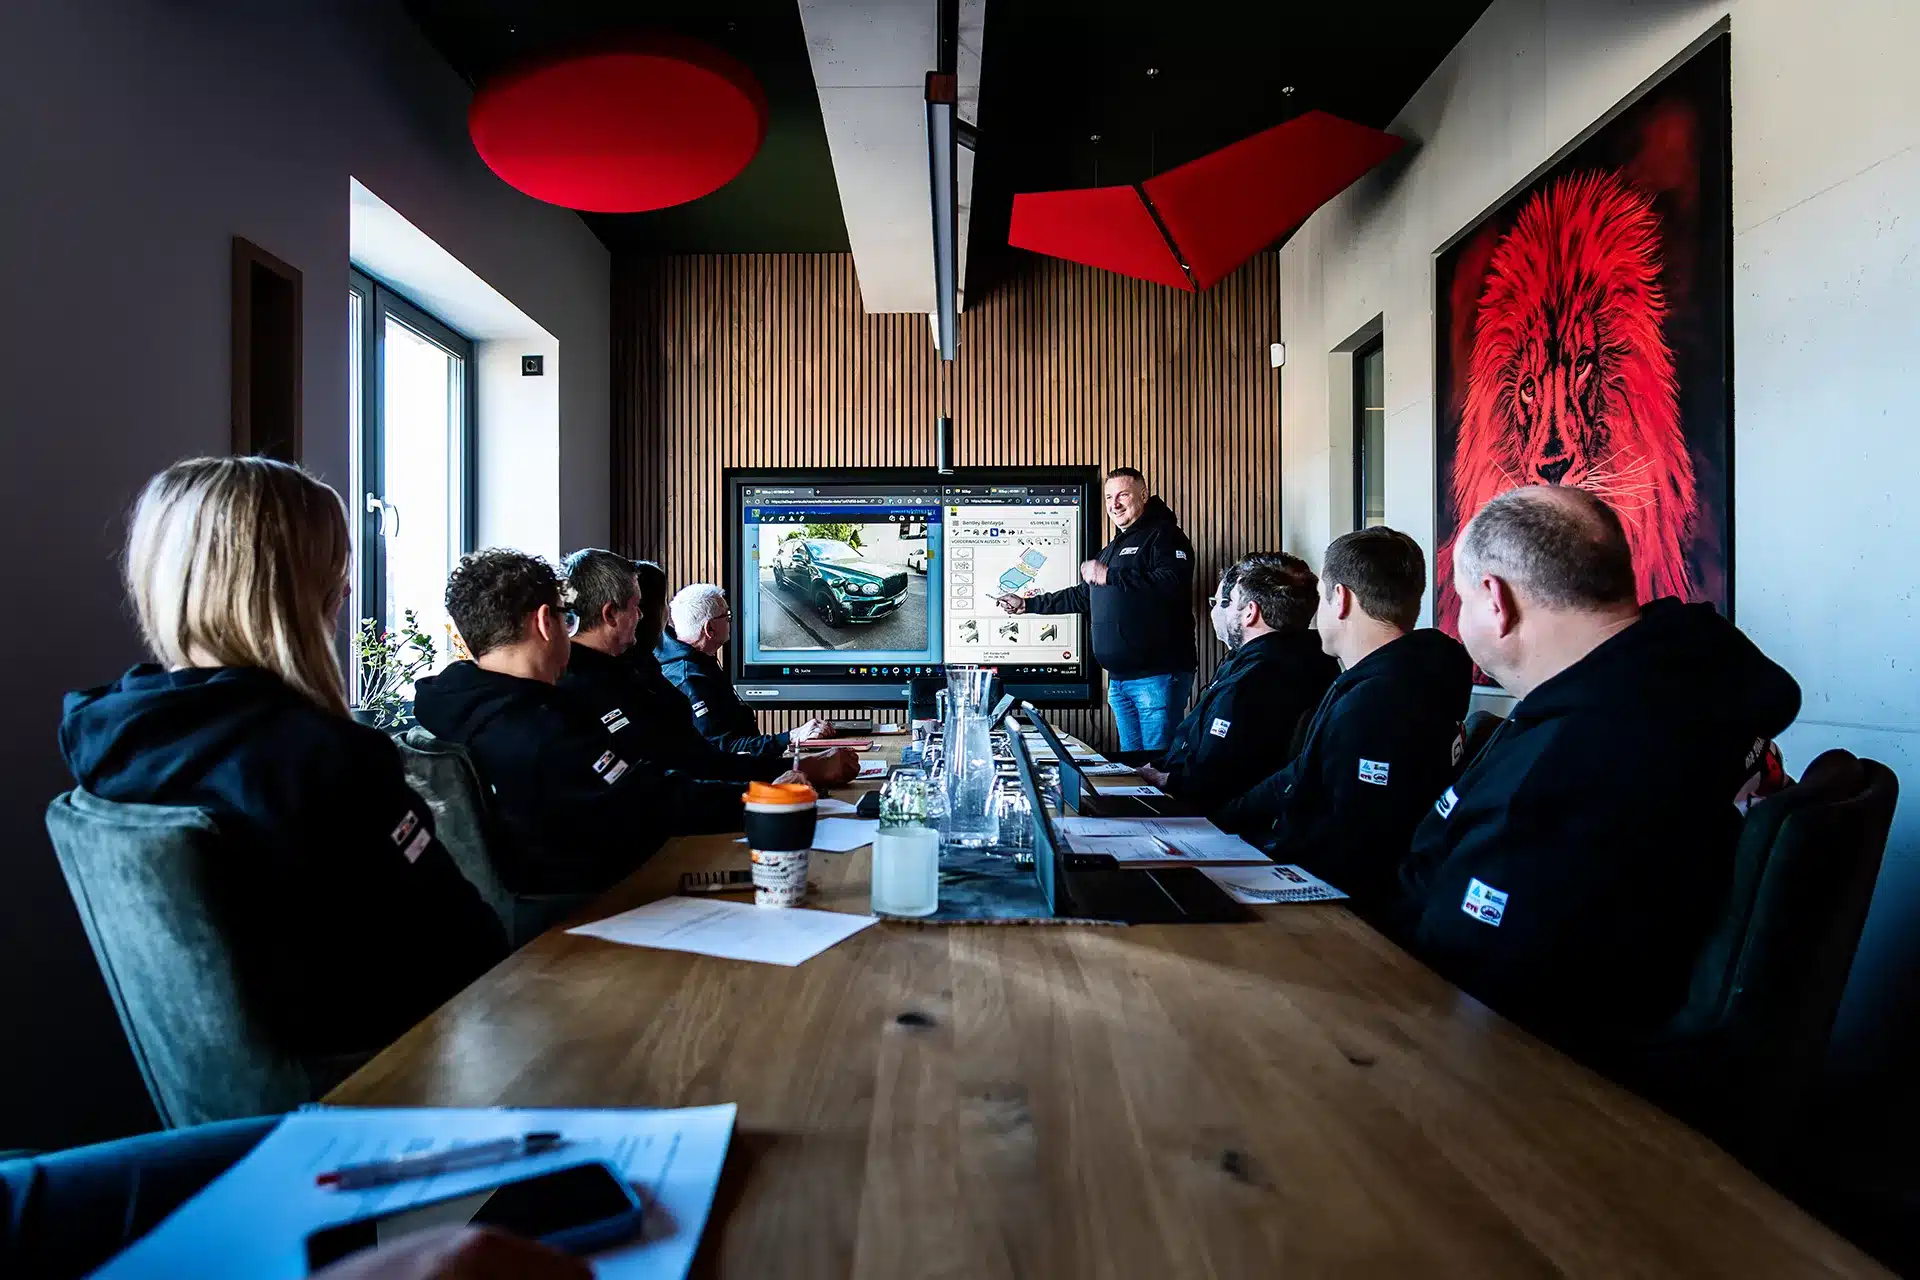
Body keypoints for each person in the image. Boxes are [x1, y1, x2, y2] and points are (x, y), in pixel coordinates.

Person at [58, 458, 505, 1059]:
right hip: (384, 1095)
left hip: (217, 1125)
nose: (347, 589)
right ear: (294, 590)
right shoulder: (323, 762)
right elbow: (464, 948)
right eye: (335, 567)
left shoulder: (106, 739)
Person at [1394, 486, 1801, 1048]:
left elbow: (1454, 974)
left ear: (1495, 599)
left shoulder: (1557, 775)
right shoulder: (1697, 668)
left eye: (1460, 600)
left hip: (1532, 1078)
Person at [413, 549, 745, 896]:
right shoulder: (542, 731)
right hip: (602, 906)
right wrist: (769, 799)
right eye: (566, 616)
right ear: (545, 622)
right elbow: (647, 802)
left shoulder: (458, 705)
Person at [1215, 529, 1472, 907]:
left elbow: (1350, 848)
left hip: (1331, 912)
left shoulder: (1377, 704)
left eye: (1320, 597)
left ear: (1341, 599)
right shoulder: (1401, 677)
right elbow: (1302, 772)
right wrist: (1221, 822)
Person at [558, 552, 855, 788]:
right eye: (639, 606)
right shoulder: (579, 692)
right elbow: (663, 790)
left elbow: (700, 760)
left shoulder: (638, 672)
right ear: (610, 614)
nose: (648, 616)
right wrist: (772, 789)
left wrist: (793, 771)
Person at [998, 467, 1196, 752]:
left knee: (1158, 767)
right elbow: (1083, 597)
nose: (1114, 504)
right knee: (1136, 769)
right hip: (1120, 680)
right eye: (1108, 497)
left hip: (1157, 676)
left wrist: (1110, 576)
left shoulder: (1165, 536)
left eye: (1122, 495)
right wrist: (1027, 604)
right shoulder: (1115, 546)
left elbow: (1173, 582)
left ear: (1143, 495)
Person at [1137, 553, 1339, 815]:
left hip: (1212, 824)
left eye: (1229, 602)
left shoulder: (1252, 682)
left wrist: (1163, 780)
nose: (1220, 611)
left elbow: (1210, 783)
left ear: (1250, 613)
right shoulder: (1311, 661)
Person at [656, 583, 836, 760]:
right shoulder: (690, 680)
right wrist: (791, 736)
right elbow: (724, 748)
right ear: (709, 629)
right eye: (727, 616)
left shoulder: (698, 661)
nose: (730, 620)